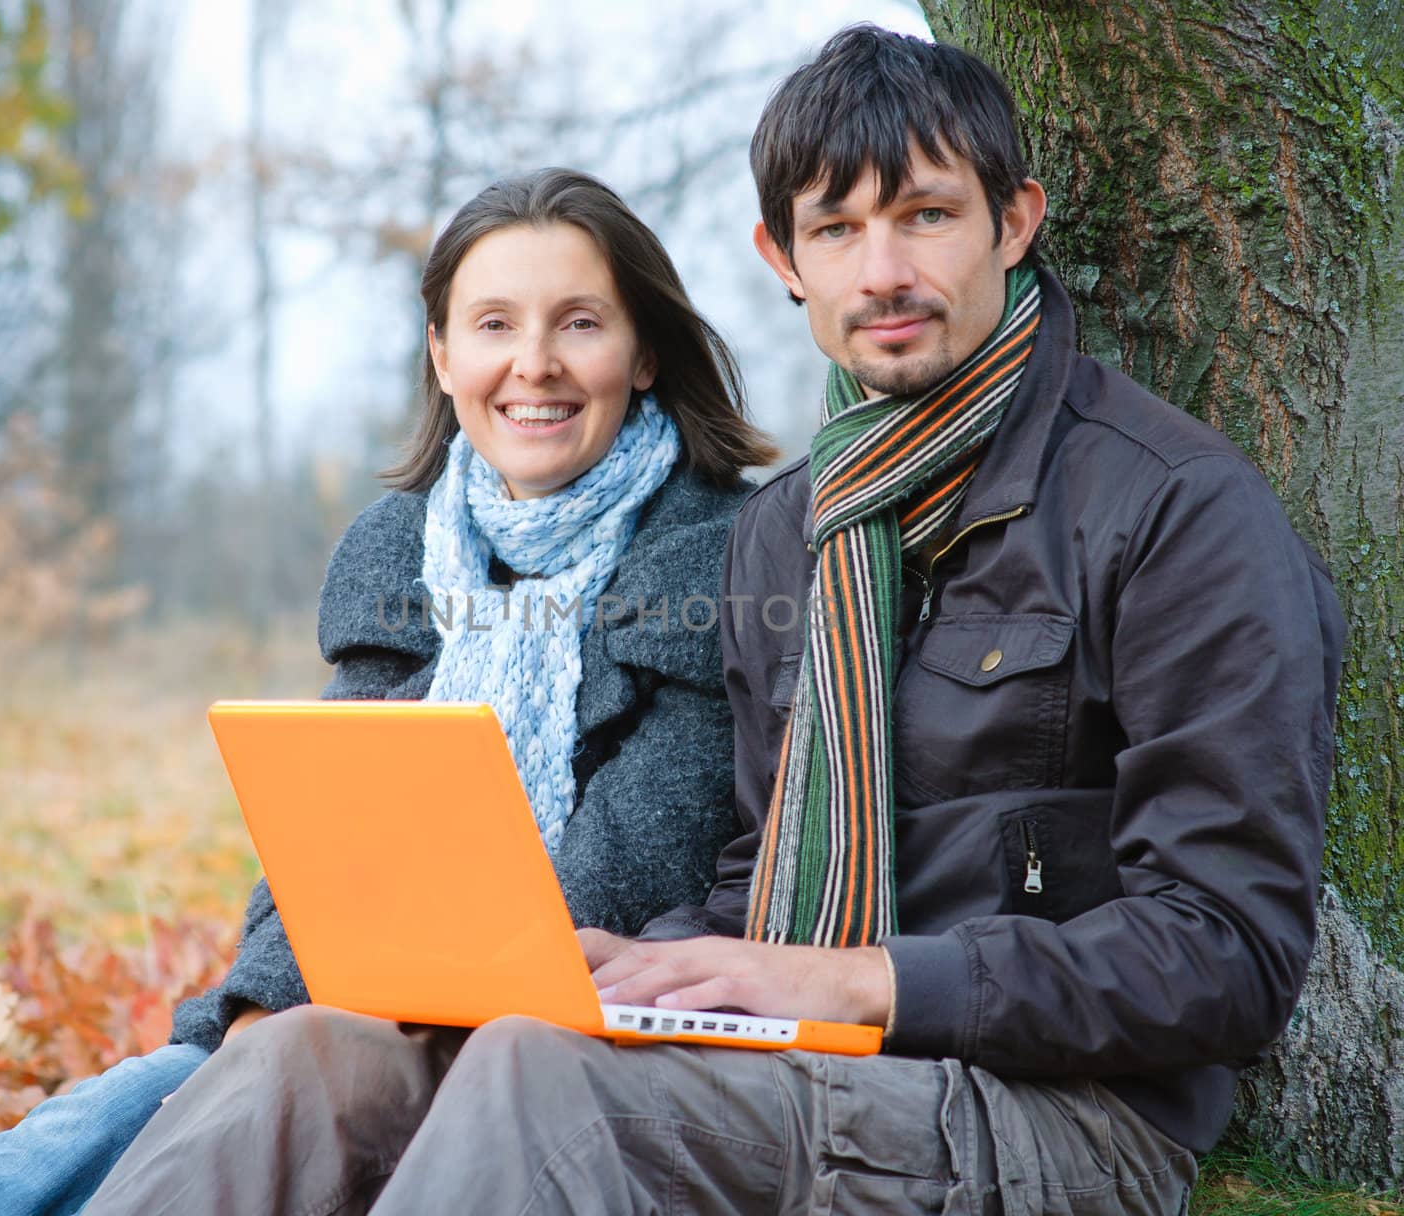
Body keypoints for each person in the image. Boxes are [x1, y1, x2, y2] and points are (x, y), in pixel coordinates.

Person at [82, 26, 1345, 1216]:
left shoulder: (1173, 512)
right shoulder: (787, 531)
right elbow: (756, 876)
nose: (883, 271)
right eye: (836, 230)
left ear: (1013, 222)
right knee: (310, 1062)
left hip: (1052, 1109)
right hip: (799, 1049)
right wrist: (633, 960)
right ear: (780, 261)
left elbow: (1227, 949)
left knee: (538, 1077)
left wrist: (861, 979)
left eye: (927, 217)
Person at [0, 166, 776, 1215]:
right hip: (361, 995)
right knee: (106, 1117)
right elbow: (323, 846)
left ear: (643, 355)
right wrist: (256, 1009)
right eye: (493, 324)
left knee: (247, 1088)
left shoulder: (717, 553)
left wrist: (348, 997)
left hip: (549, 1042)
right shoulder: (403, 550)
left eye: (578, 323)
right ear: (443, 356)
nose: (532, 364)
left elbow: (638, 853)